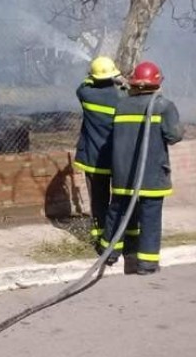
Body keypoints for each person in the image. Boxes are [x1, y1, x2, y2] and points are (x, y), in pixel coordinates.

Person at [101, 61, 183, 275]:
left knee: (117, 212)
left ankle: (109, 253)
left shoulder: (121, 105)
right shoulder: (164, 106)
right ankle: (146, 264)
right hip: (151, 174)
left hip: (123, 172)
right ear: (157, 83)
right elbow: (174, 136)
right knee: (150, 218)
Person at [74, 56, 124, 252]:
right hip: (117, 159)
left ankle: (99, 236)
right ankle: (117, 236)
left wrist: (91, 76)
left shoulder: (86, 94)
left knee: (98, 199)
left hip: (93, 159)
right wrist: (121, 81)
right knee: (118, 199)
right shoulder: (122, 98)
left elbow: (83, 85)